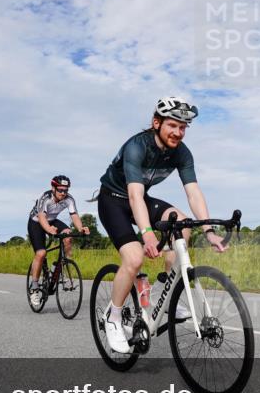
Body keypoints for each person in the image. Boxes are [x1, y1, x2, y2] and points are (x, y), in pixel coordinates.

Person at [97, 96, 226, 353]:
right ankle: (112, 318)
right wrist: (146, 234)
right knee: (134, 259)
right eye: (172, 125)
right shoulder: (137, 147)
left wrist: (209, 232)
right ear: (156, 123)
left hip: (140, 198)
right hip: (113, 200)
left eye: (183, 127)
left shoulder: (181, 153)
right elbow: (134, 195)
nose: (178, 132)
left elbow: (193, 192)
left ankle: (163, 295)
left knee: (184, 224)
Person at [27, 175, 90, 305]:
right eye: (60, 190)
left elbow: (74, 216)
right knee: (41, 253)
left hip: (52, 220)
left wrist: (81, 228)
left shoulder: (69, 199)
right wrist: (49, 230)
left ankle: (58, 266)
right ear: (53, 188)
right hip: (37, 222)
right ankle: (34, 288)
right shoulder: (45, 197)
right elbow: (42, 217)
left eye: (65, 190)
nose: (63, 193)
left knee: (68, 236)